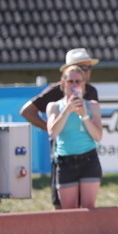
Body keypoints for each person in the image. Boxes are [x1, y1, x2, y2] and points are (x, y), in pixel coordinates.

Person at [20, 48, 101, 207]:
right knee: (61, 204)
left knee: (87, 205)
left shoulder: (91, 91)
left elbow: (96, 129)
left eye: (89, 68)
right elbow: (27, 112)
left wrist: (84, 118)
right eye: (83, 67)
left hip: (87, 153)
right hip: (62, 153)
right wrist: (54, 129)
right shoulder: (56, 91)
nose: (87, 72)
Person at [46, 64, 104, 208]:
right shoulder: (54, 106)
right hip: (65, 162)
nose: (74, 85)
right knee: (69, 210)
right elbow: (53, 133)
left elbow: (97, 136)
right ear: (63, 83)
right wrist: (67, 111)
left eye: (78, 81)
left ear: (83, 84)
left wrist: (84, 115)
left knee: (88, 207)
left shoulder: (92, 106)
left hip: (88, 159)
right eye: (71, 81)